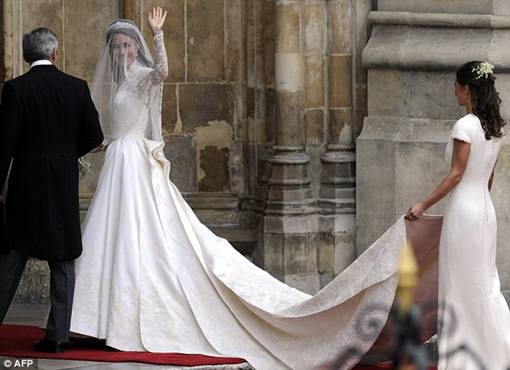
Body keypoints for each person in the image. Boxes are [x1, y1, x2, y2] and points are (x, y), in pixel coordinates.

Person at [69, 7, 437, 370]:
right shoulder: (119, 81)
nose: (122, 52)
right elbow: (120, 123)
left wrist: (158, 35)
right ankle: (101, 318)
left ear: (136, 48)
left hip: (134, 164)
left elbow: (163, 73)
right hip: (119, 159)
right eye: (117, 47)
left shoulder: (141, 75)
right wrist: (102, 145)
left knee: (138, 234)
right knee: (110, 235)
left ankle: (127, 315)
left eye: (127, 46)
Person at [0, 27, 103, 353]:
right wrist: (65, 153)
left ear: (25, 55)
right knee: (63, 259)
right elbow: (94, 135)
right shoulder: (76, 87)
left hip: (25, 185)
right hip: (61, 185)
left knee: (12, 255)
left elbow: (4, 145)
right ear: (55, 53)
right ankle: (57, 336)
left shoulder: (16, 89)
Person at [407, 61, 510, 369]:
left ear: (466, 89)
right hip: (484, 210)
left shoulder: (464, 126)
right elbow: (488, 177)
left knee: (460, 285)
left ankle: (463, 358)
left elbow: (455, 176)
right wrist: (480, 204)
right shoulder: (496, 128)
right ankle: (496, 352)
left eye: (456, 85)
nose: (453, 90)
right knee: (484, 281)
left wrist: (423, 205)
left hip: (464, 211)